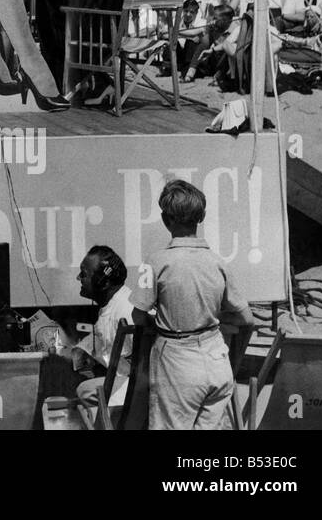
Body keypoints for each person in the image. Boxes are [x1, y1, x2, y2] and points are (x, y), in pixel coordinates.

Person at [131, 179, 255, 430]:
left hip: (177, 365)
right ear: (202, 216)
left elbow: (138, 316)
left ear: (166, 220)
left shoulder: (154, 262)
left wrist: (159, 320)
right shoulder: (219, 263)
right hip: (217, 362)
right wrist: (213, 316)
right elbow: (247, 319)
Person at [71, 245, 136, 419]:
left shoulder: (127, 309)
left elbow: (142, 365)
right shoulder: (112, 304)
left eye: (84, 274)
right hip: (123, 381)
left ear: (103, 282)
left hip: (136, 389)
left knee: (84, 390)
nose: (78, 278)